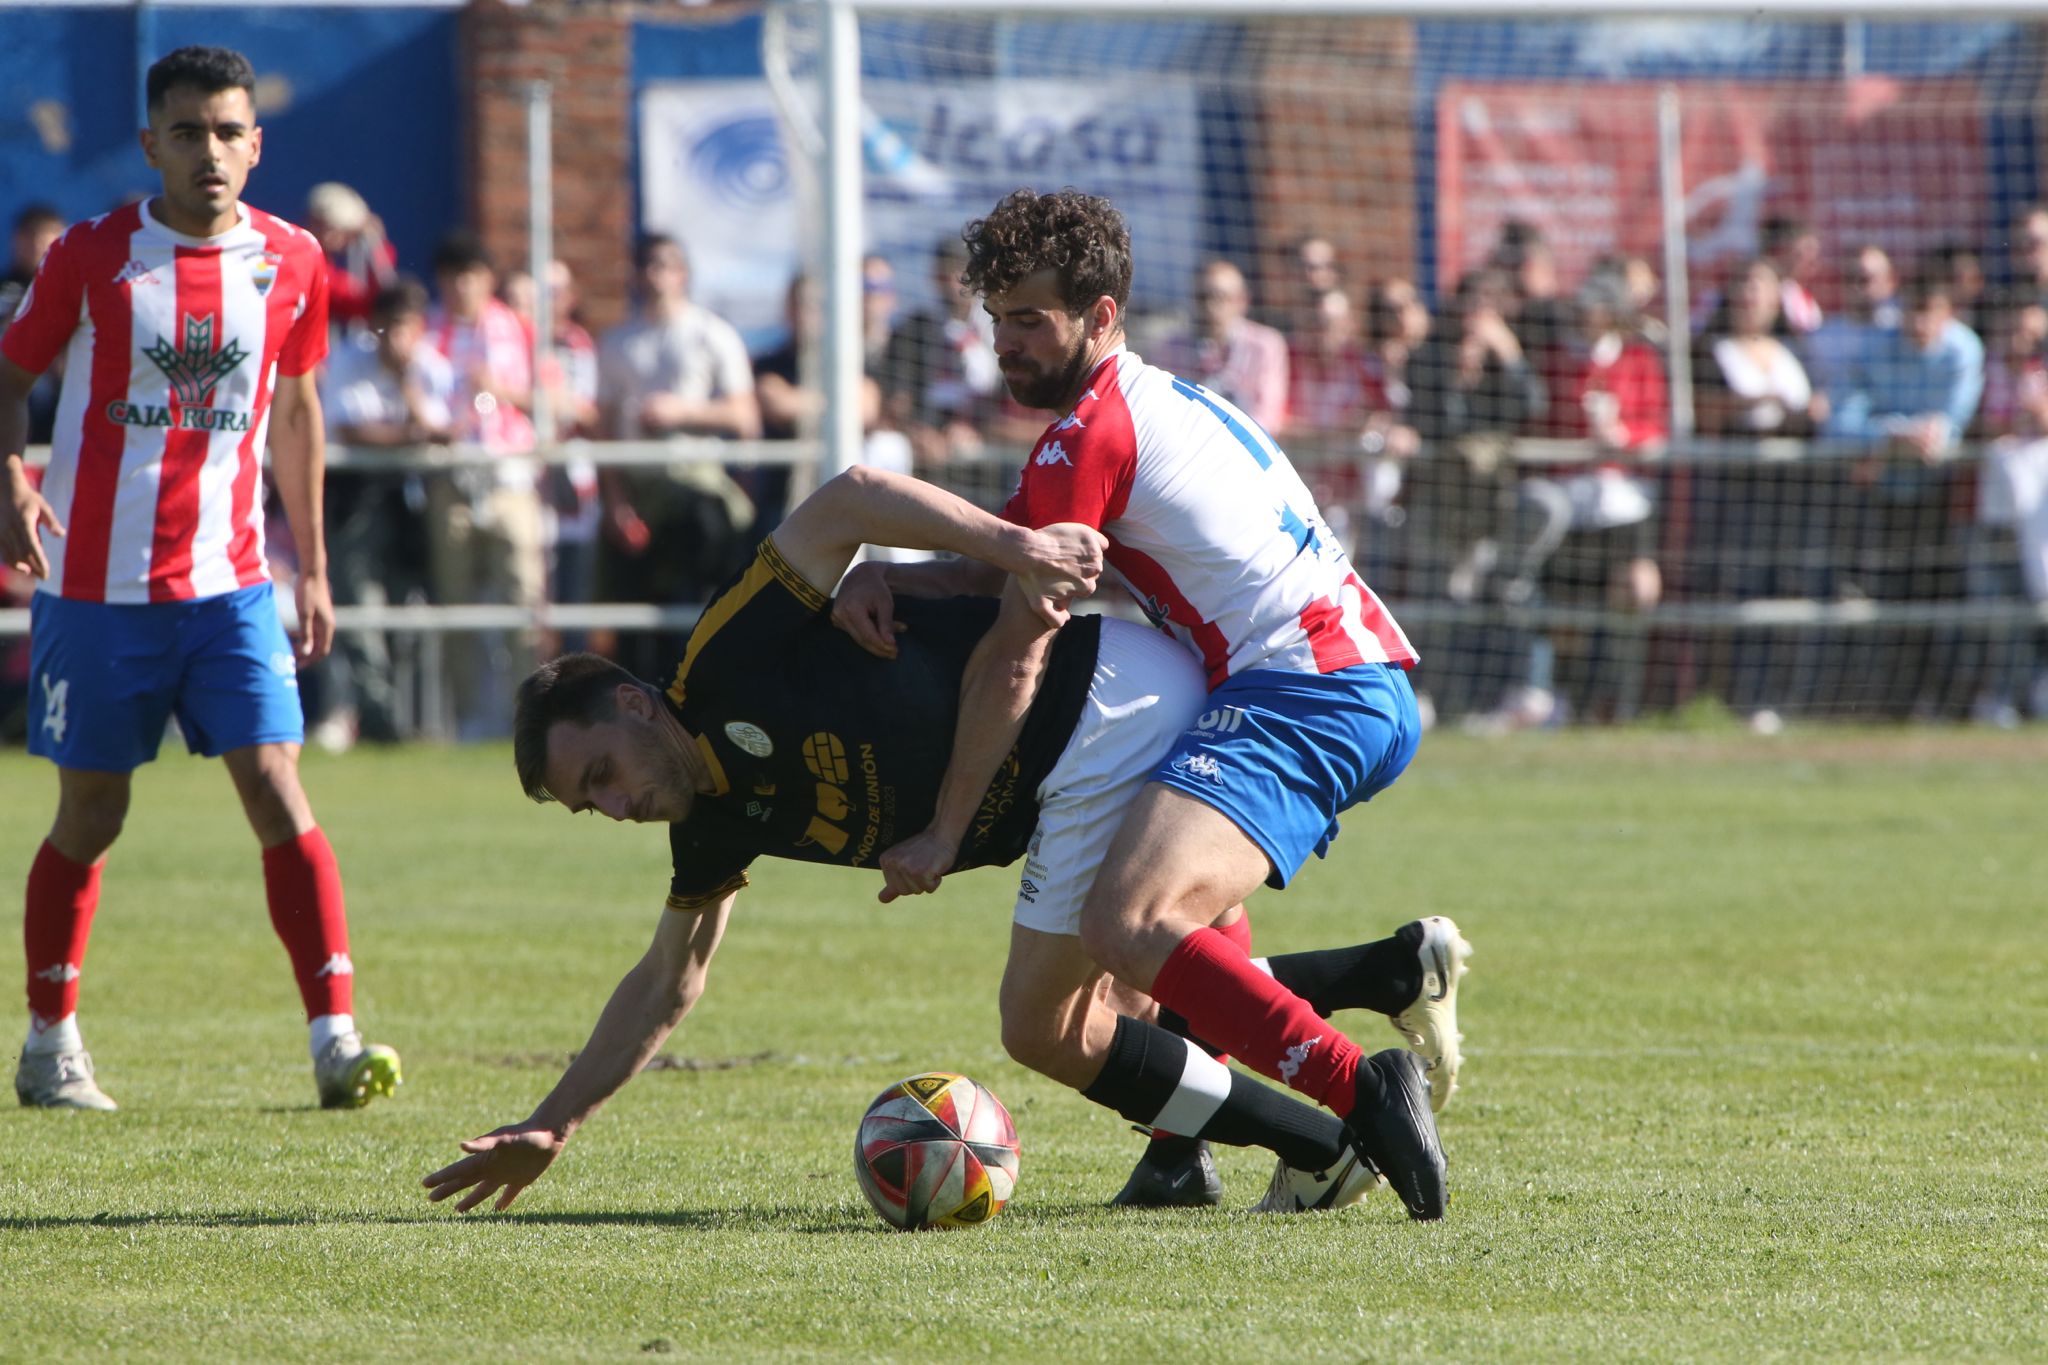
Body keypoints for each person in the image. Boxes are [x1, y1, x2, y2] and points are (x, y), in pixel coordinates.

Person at [421, 465, 1457, 1219]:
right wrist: (554, 1121)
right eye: (584, 805)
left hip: (1092, 707)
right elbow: (665, 983)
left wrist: (1017, 547)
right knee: (1120, 996)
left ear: (637, 707)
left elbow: (848, 498)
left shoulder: (724, 656)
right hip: (1087, 747)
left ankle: (1329, 1131)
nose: (609, 806)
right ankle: (1349, 1028)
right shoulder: (710, 822)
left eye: (598, 773)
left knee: (1047, 1024)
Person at [834, 190, 1458, 1220]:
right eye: (994, 320)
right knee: (1138, 974)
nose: (1004, 344)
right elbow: (1007, 557)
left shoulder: (1088, 432)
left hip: (1304, 693)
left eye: (1029, 319)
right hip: (1328, 684)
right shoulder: (1143, 403)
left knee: (1126, 923)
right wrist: (894, 577)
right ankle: (1194, 1146)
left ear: (1102, 315)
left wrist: (944, 829)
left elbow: (1015, 642)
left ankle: (1359, 1088)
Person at [0, 46, 399, 1110]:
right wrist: (10, 475)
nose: (209, 153)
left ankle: (335, 1037)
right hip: (96, 595)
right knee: (91, 818)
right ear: (149, 145)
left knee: (278, 791)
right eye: (187, 133)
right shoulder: (93, 256)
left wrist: (309, 565)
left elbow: (301, 413)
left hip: (229, 590)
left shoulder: (294, 260)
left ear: (256, 144)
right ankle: (50, 1045)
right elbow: (10, 372)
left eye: (228, 132)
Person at [594, 233, 763, 678]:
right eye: (646, 264)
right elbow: (605, 430)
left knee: (697, 603)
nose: (654, 275)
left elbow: (745, 415)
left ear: (682, 273)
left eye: (664, 264)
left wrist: (683, 412)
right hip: (638, 492)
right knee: (634, 621)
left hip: (697, 488)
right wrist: (614, 504)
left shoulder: (711, 333)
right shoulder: (616, 342)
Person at [316, 276, 454, 749]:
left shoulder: (431, 366)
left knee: (403, 611)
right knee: (360, 609)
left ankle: (395, 716)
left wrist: (405, 383)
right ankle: (380, 722)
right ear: (375, 325)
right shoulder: (348, 360)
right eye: (390, 325)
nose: (398, 337)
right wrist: (411, 435)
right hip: (354, 501)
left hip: (408, 503)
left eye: (408, 326)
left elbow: (442, 429)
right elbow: (349, 429)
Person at [879, 236, 1004, 465]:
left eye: (959, 272)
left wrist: (976, 427)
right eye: (944, 272)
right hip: (926, 434)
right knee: (886, 447)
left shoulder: (998, 326)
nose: (952, 282)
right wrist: (919, 432)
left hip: (984, 433)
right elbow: (898, 397)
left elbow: (1004, 392)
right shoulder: (913, 329)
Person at [1151, 258, 1290, 434]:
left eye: (1220, 297)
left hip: (1246, 447)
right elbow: (1162, 409)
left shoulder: (1265, 345)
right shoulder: (1170, 349)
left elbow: (1269, 415)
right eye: (1202, 297)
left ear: (1242, 301)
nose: (1209, 306)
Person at [2, 204, 67, 444]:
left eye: (46, 235)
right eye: (30, 236)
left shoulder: (74, 292)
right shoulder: (6, 289)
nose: (37, 245)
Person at [305, 181, 395, 335]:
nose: (349, 240)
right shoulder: (315, 269)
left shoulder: (316, 264)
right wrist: (376, 245)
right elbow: (365, 303)